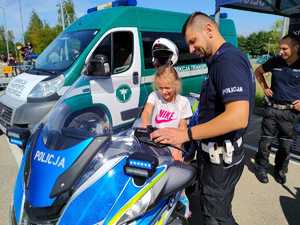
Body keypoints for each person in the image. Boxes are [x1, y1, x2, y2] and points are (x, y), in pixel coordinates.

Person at [150, 12, 254, 225]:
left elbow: (238, 117)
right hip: (213, 156)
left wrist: (186, 134)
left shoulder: (228, 61)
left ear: (209, 29)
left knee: (216, 216)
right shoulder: (218, 60)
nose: (190, 49)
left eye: (192, 41)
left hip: (220, 161)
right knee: (209, 206)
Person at [141, 61, 193, 219]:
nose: (164, 92)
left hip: (174, 144)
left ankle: (183, 203)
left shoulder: (183, 102)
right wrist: (145, 127)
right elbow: (147, 112)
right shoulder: (154, 96)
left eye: (168, 88)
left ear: (176, 85)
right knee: (155, 175)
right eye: (160, 88)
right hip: (156, 143)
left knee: (176, 178)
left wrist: (177, 148)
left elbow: (183, 128)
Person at [254, 33, 300, 185]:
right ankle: (261, 168)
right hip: (272, 109)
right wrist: (265, 87)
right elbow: (258, 71)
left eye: (284, 48)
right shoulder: (275, 61)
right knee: (265, 142)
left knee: (285, 145)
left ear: (296, 47)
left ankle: (280, 170)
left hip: (291, 113)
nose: (281, 51)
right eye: (280, 48)